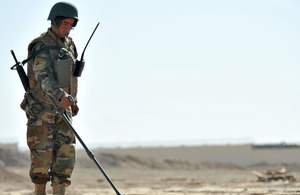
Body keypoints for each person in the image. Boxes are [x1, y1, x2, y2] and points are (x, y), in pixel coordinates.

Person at [20, 2, 81, 195]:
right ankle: (40, 191)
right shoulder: (41, 45)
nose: (67, 28)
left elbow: (70, 77)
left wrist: (73, 101)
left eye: (71, 24)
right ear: (54, 22)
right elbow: (42, 77)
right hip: (42, 110)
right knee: (42, 158)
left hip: (64, 110)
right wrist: (61, 96)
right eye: (64, 23)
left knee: (66, 156)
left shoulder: (69, 45)